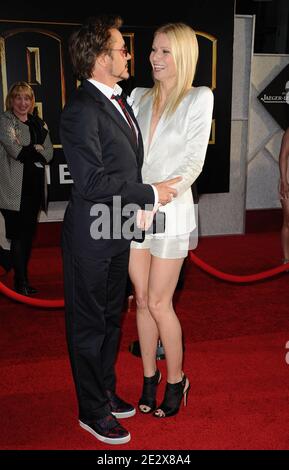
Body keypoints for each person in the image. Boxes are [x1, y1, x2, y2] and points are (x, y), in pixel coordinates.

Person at [59, 15, 181, 445]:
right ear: (98, 58)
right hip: (90, 240)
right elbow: (91, 182)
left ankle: (104, 392)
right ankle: (91, 411)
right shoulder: (79, 111)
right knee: (89, 326)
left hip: (117, 232)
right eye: (121, 48)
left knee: (112, 320)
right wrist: (149, 193)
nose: (129, 54)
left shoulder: (118, 100)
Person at [128, 22, 214, 418]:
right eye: (153, 50)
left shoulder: (198, 98)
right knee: (141, 300)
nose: (155, 58)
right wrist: (136, 198)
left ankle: (177, 379)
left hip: (171, 210)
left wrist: (158, 199)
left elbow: (193, 163)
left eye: (165, 51)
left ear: (182, 55)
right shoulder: (137, 96)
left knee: (161, 302)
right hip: (133, 210)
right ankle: (150, 377)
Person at [0, 81, 53, 295]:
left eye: (27, 98)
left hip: (34, 189)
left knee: (28, 236)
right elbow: (16, 151)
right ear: (11, 100)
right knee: (18, 236)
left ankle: (21, 278)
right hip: (13, 190)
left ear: (32, 102)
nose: (23, 102)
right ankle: (20, 282)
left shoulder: (38, 123)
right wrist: (35, 148)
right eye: (18, 97)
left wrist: (32, 149)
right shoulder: (5, 120)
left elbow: (49, 154)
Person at [278, 127, 289, 264]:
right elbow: (283, 156)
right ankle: (287, 258)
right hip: (287, 181)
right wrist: (284, 181)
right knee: (288, 221)